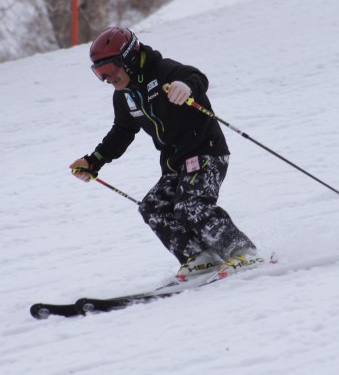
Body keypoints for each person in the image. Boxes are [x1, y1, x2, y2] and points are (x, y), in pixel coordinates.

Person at [69, 26, 260, 282]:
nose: (108, 79)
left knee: (191, 204)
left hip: (206, 153)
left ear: (130, 58)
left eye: (111, 69)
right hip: (175, 163)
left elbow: (197, 77)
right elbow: (122, 132)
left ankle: (242, 251)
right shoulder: (124, 96)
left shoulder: (164, 71)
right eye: (100, 73)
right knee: (153, 206)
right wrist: (94, 160)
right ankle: (200, 256)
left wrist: (186, 87)